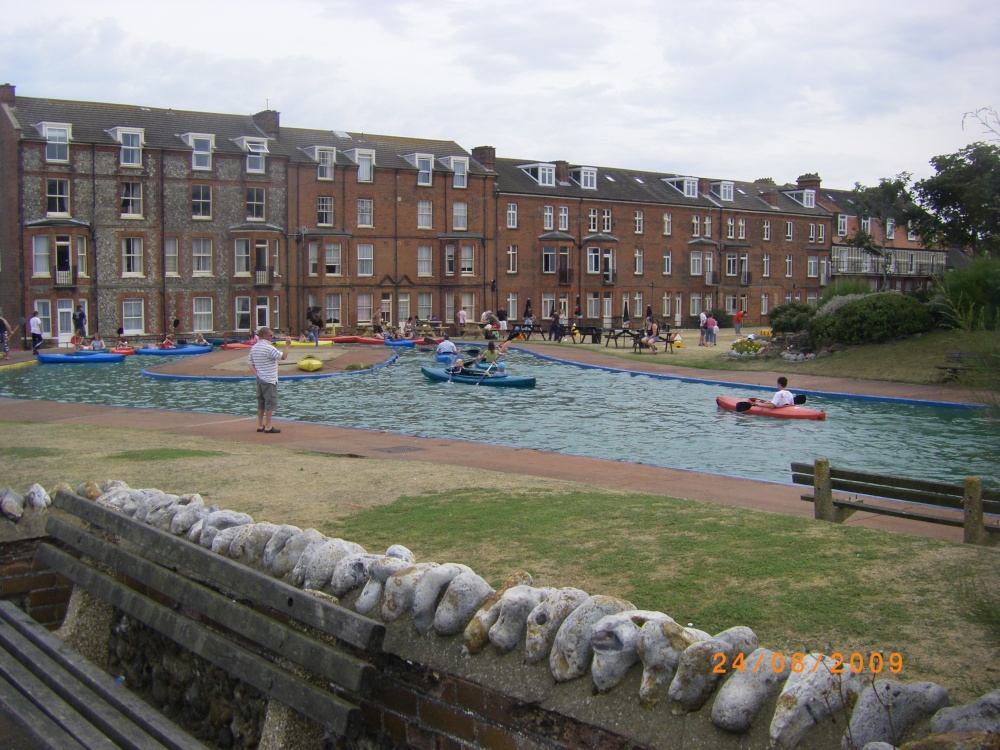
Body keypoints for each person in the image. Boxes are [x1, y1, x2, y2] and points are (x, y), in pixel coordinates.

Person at [247, 327, 290, 433]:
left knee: (261, 402)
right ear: (265, 336)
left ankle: (260, 425)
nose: (272, 337)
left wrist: (257, 373)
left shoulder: (254, 347)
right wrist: (287, 345)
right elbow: (283, 356)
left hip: (260, 379)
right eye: (270, 335)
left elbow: (249, 362)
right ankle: (268, 426)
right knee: (269, 402)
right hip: (269, 379)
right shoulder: (268, 348)